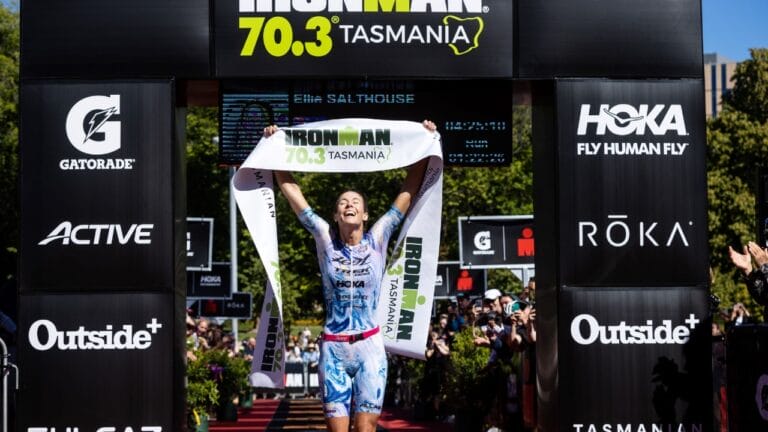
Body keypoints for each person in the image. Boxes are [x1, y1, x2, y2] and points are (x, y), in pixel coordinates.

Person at [266, 120, 436, 432]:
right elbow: (294, 195)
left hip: (370, 347)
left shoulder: (378, 238)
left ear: (365, 214)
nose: (349, 205)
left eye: (355, 202)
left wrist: (423, 146)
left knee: (367, 428)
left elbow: (407, 193)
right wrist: (274, 149)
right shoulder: (324, 239)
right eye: (343, 202)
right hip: (333, 348)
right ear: (335, 214)